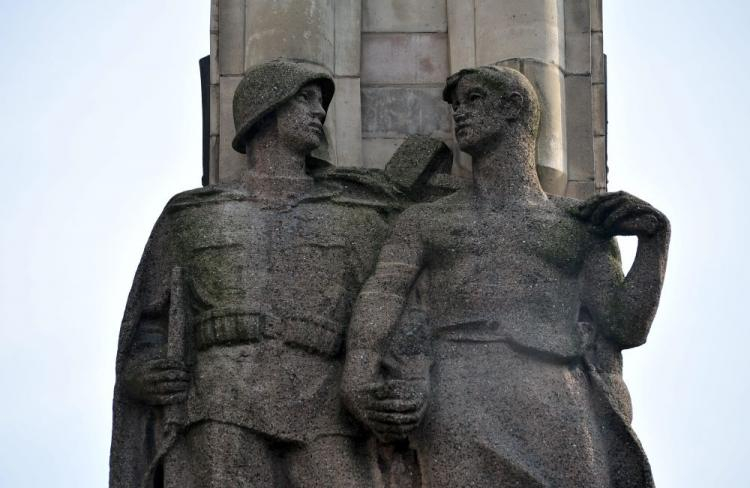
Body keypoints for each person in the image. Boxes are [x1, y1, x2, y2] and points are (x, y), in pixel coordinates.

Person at [342, 65, 670, 487]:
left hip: (557, 393)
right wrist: (358, 374)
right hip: (459, 391)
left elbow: (626, 325)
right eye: (456, 105)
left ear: (513, 106)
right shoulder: (426, 221)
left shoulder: (579, 223)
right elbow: (382, 294)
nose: (459, 114)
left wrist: (655, 241)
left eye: (473, 100)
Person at [109, 59, 395, 488]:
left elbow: (395, 304)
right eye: (305, 99)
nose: (319, 112)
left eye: (321, 102)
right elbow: (148, 320)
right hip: (221, 398)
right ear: (267, 108)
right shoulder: (191, 214)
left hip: (325, 398)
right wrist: (142, 370)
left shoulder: (358, 214)